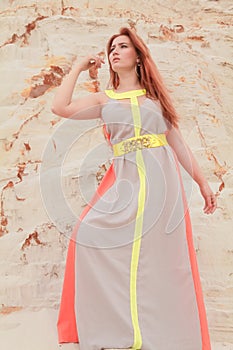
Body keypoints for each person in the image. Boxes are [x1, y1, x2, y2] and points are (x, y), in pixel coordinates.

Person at [52, 27, 217, 350]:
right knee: (86, 235)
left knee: (161, 260)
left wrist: (202, 181)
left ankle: (160, 334)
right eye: (111, 47)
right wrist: (78, 66)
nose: (114, 51)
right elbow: (61, 107)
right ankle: (117, 329)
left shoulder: (155, 100)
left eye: (123, 46)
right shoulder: (105, 99)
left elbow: (178, 143)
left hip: (160, 185)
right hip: (123, 183)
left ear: (138, 56)